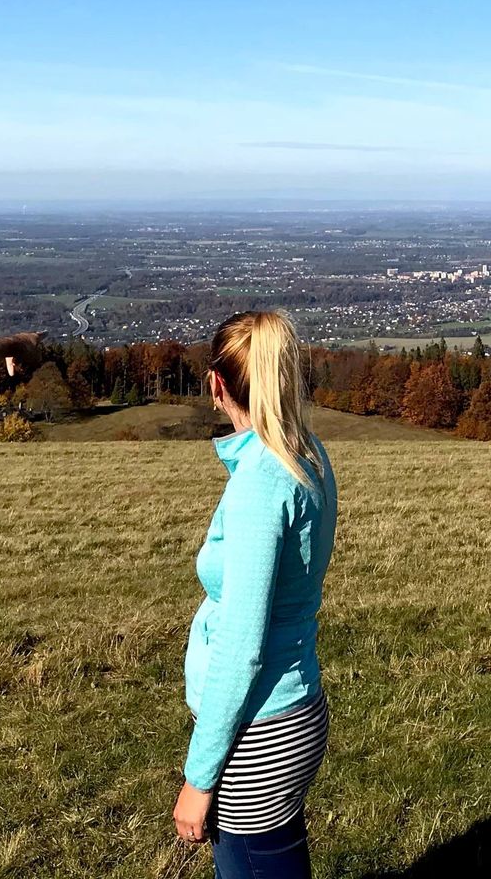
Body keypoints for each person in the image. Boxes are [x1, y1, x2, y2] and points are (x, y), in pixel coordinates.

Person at [172, 310, 339, 879]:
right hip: (295, 707)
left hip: (258, 734)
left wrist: (199, 779)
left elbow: (242, 646)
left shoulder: (259, 484)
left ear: (217, 385)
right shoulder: (307, 452)